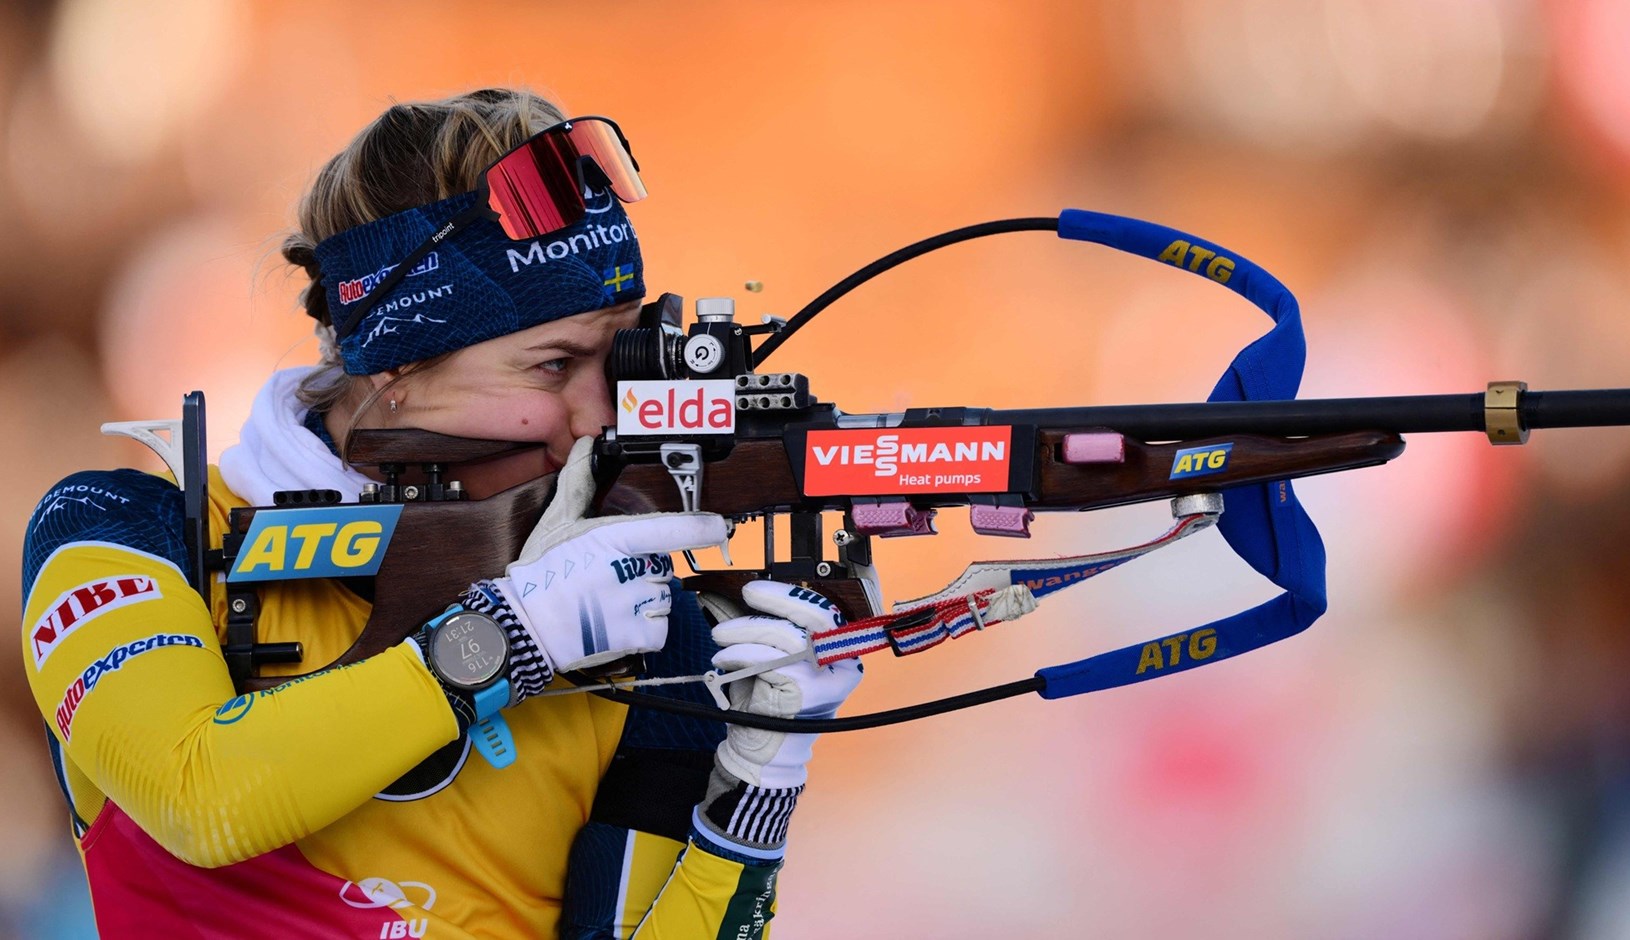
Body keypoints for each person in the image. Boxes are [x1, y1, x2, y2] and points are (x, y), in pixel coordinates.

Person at [20, 88, 862, 939]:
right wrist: (506, 640)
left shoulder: (639, 629)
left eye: (619, 356)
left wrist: (757, 793)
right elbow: (197, 796)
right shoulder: (132, 531)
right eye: (550, 366)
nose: (597, 417)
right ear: (399, 364)